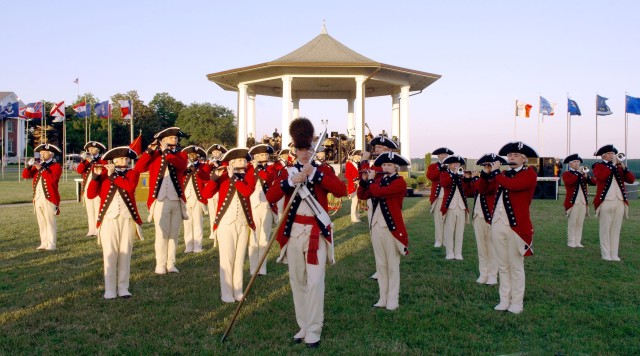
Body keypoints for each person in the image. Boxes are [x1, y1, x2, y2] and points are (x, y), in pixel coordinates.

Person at [266, 118, 347, 348]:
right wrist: (291, 182)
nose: (304, 153)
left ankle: (314, 329)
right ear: (295, 150)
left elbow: (341, 190)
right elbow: (270, 196)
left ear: (315, 149)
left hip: (315, 232)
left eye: (309, 149)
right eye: (301, 149)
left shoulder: (323, 170)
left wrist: (316, 175)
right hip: (293, 232)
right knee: (297, 280)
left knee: (315, 281)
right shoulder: (286, 172)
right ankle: (303, 325)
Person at [487, 141, 538, 314]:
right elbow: (484, 189)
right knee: (503, 265)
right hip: (498, 224)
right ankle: (504, 299)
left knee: (516, 265)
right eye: (509, 155)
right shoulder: (502, 174)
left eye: (515, 155)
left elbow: (514, 186)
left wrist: (496, 173)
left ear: (524, 158)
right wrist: (487, 174)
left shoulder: (529, 174)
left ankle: (517, 302)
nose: (511, 158)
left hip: (517, 227)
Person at [87, 147, 143, 299]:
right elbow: (90, 194)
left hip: (127, 218)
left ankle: (123, 287)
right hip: (108, 218)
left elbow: (129, 187)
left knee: (125, 253)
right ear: (113, 161)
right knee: (110, 253)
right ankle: (109, 289)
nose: (123, 161)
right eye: (120, 159)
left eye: (126, 159)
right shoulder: (103, 174)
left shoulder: (132, 173)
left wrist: (112, 176)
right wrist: (96, 176)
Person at [357, 151, 410, 311]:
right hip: (376, 226)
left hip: (391, 228)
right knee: (380, 264)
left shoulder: (400, 182)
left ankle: (393, 299)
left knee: (392, 265)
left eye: (389, 165)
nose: (386, 167)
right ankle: (382, 297)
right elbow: (363, 194)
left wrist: (372, 181)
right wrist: (364, 181)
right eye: (384, 165)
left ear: (396, 167)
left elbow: (380, 192)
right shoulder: (378, 181)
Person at [203, 148, 256, 302]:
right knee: (227, 258)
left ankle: (238, 291)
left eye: (245, 160)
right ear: (231, 163)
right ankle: (226, 292)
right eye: (240, 160)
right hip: (225, 222)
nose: (243, 162)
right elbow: (206, 195)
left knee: (239, 259)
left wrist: (234, 178)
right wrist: (215, 177)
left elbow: (246, 191)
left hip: (243, 222)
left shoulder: (249, 175)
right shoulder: (223, 175)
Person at [135, 127, 188, 275]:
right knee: (161, 233)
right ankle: (160, 264)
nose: (175, 140)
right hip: (159, 199)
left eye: (176, 138)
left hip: (176, 199)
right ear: (162, 141)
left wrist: (166, 153)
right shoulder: (154, 154)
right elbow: (139, 168)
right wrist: (150, 151)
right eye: (171, 138)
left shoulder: (181, 154)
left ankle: (171, 264)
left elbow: (182, 166)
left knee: (174, 234)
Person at [360, 135, 399, 280]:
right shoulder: (375, 164)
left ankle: (388, 268)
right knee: (376, 238)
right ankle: (380, 268)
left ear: (388, 149)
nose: (376, 149)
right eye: (376, 147)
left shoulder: (382, 165)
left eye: (380, 147)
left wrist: (364, 162)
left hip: (385, 204)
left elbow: (368, 176)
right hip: (374, 203)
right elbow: (364, 179)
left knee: (388, 239)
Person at [592, 145, 635, 261]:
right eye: (610, 153)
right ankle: (605, 253)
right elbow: (601, 177)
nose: (612, 155)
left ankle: (614, 253)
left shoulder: (619, 167)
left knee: (616, 229)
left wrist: (624, 167)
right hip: (606, 201)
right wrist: (612, 166)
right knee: (605, 229)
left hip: (620, 200)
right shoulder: (598, 166)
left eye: (613, 153)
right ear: (603, 155)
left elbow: (631, 180)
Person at [471, 154, 505, 285]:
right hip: (478, 216)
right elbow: (478, 187)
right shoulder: (483, 177)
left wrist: (489, 173)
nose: (487, 167)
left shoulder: (499, 177)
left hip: (491, 217)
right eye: (486, 165)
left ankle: (492, 275)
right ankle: (483, 273)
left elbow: (488, 189)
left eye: (490, 165)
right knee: (481, 247)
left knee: (492, 247)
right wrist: (481, 175)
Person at [23, 143, 62, 250]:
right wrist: (28, 166)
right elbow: (25, 175)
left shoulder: (56, 166)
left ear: (51, 154)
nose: (41, 154)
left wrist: (40, 168)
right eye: (40, 153)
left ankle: (51, 244)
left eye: (44, 152)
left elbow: (52, 180)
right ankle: (44, 243)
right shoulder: (38, 166)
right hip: (38, 198)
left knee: (50, 222)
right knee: (41, 222)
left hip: (49, 198)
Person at [248, 143, 276, 276]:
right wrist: (252, 169)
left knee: (264, 238)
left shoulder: (271, 168)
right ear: (255, 156)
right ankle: (253, 268)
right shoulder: (249, 168)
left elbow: (268, 178)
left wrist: (257, 169)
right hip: (252, 205)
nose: (263, 157)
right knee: (253, 239)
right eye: (260, 155)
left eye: (265, 154)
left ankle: (262, 267)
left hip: (266, 206)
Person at [439, 155, 471, 260]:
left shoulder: (462, 175)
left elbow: (467, 191)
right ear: (450, 165)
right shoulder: (445, 174)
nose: (457, 165)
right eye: (454, 164)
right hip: (450, 207)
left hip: (461, 207)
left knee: (460, 231)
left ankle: (458, 253)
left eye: (458, 164)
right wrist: (454, 175)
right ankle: (449, 252)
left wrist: (467, 179)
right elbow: (444, 184)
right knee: (449, 230)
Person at [561, 154, 596, 248]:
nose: (577, 164)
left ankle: (578, 241)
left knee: (580, 223)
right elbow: (570, 182)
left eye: (578, 162)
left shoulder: (582, 174)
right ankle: (571, 241)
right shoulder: (566, 174)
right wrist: (579, 174)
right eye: (575, 162)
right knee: (572, 222)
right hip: (573, 202)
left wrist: (586, 176)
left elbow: (594, 182)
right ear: (570, 164)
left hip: (583, 201)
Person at [182, 145, 211, 253]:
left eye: (193, 155)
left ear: (197, 156)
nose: (191, 157)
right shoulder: (184, 167)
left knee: (198, 222)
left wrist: (196, 170)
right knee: (187, 223)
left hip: (198, 199)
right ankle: (188, 246)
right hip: (186, 198)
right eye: (189, 155)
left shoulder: (203, 166)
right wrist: (186, 168)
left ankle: (198, 246)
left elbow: (206, 178)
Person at [76, 141, 107, 236]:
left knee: (98, 209)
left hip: (97, 188)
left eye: (93, 149)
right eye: (89, 149)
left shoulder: (102, 160)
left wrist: (92, 162)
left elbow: (102, 170)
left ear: (98, 150)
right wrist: (83, 161)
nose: (91, 150)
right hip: (87, 188)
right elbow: (79, 170)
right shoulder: (86, 161)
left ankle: (99, 229)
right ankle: (91, 230)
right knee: (90, 210)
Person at [426, 147, 454, 248]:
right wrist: (440, 169)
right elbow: (430, 176)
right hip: (438, 197)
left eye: (446, 155)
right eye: (442, 154)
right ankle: (439, 240)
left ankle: (447, 240)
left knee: (448, 220)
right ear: (438, 156)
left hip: (449, 196)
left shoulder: (451, 166)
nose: (445, 156)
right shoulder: (433, 166)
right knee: (438, 220)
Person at [205, 144, 227, 243]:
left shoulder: (225, 162)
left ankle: (220, 230)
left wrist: (219, 165)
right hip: (211, 190)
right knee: (212, 212)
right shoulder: (208, 163)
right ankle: (213, 232)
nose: (216, 154)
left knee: (221, 211)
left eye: (218, 152)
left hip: (220, 190)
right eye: (214, 152)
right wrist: (209, 165)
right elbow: (204, 173)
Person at [345, 149, 362, 222]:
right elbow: (347, 175)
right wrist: (354, 180)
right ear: (354, 156)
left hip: (359, 184)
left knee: (357, 201)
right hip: (353, 185)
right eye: (358, 155)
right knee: (354, 201)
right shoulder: (349, 163)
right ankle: (353, 217)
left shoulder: (358, 163)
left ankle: (357, 215)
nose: (359, 156)